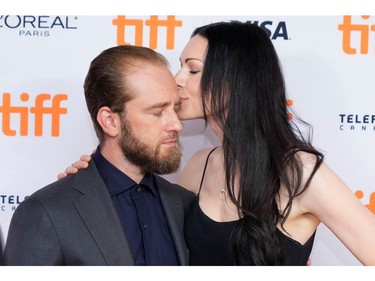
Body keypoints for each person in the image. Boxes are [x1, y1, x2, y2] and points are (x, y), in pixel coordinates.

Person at [59, 21, 375, 265]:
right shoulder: (198, 164)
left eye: (192, 69)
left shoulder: (301, 173)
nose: (177, 80)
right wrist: (93, 181)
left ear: (234, 79)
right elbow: (142, 225)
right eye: (179, 66)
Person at [3, 45, 195, 265]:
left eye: (175, 108)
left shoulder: (183, 203)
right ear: (110, 121)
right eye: (157, 112)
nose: (177, 124)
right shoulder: (46, 213)